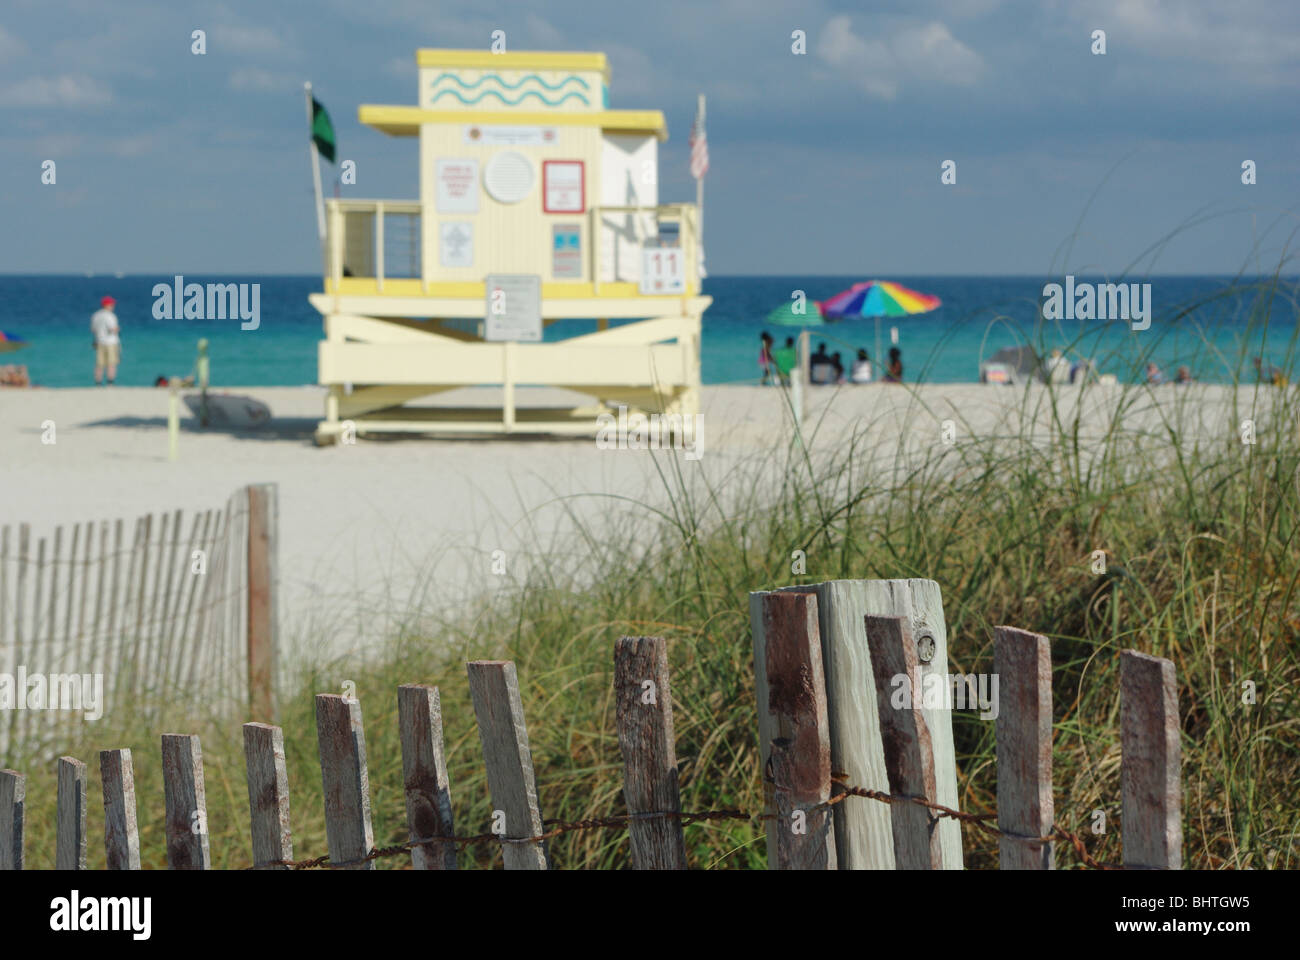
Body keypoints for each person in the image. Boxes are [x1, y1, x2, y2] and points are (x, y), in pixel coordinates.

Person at [91, 296, 120, 385]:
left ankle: (98, 383)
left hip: (99, 341)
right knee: (111, 363)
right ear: (107, 305)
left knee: (99, 364)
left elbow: (93, 329)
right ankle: (110, 383)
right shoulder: (110, 316)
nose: (113, 306)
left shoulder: (96, 315)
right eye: (112, 304)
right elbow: (112, 329)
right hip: (111, 342)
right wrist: (118, 329)